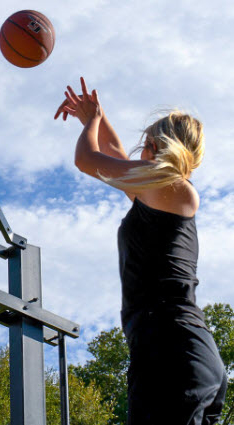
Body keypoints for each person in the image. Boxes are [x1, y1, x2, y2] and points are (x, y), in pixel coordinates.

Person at [55, 78, 227, 425]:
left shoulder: (172, 187)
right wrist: (98, 117)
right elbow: (115, 155)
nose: (137, 152)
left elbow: (87, 160)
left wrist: (91, 125)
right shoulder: (160, 192)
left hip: (171, 350)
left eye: (143, 145)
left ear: (153, 145)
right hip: (177, 352)